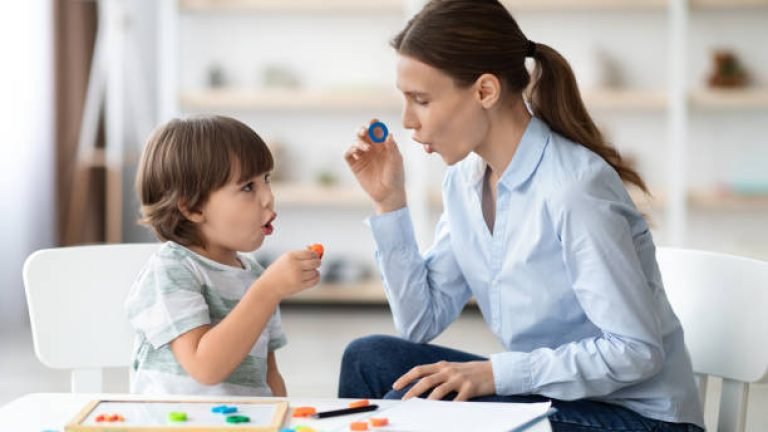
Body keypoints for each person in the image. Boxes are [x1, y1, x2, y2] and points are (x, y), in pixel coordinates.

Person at [339, 1, 704, 430]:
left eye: (421, 100)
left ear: (485, 91)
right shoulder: (465, 182)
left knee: (416, 404)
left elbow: (636, 350)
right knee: (369, 359)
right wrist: (389, 203)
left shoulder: (574, 189)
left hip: (638, 417)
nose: (407, 121)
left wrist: (496, 373)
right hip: (555, 397)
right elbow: (421, 320)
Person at [125, 115, 322, 396]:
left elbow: (269, 376)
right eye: (247, 187)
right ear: (192, 208)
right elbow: (205, 368)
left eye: (266, 179)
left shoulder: (255, 275)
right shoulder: (171, 269)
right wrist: (268, 291)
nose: (268, 197)